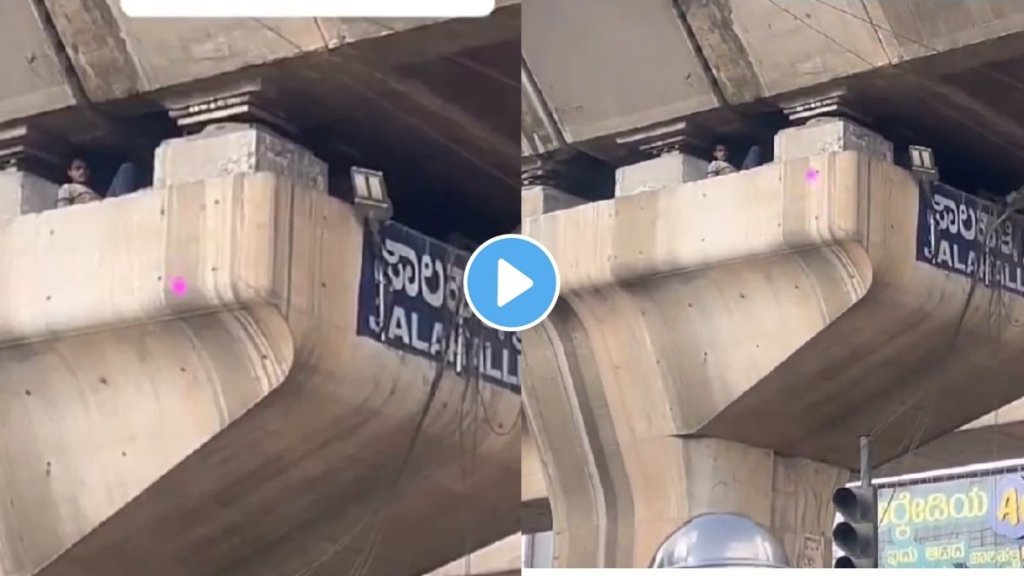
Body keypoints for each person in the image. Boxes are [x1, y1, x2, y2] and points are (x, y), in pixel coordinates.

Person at [56, 156, 138, 209]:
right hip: (92, 216)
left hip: (103, 207)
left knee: (126, 168)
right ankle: (124, 207)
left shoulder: (93, 190)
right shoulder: (67, 188)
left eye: (85, 169)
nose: (82, 171)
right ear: (70, 172)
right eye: (78, 168)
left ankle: (125, 205)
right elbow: (62, 212)